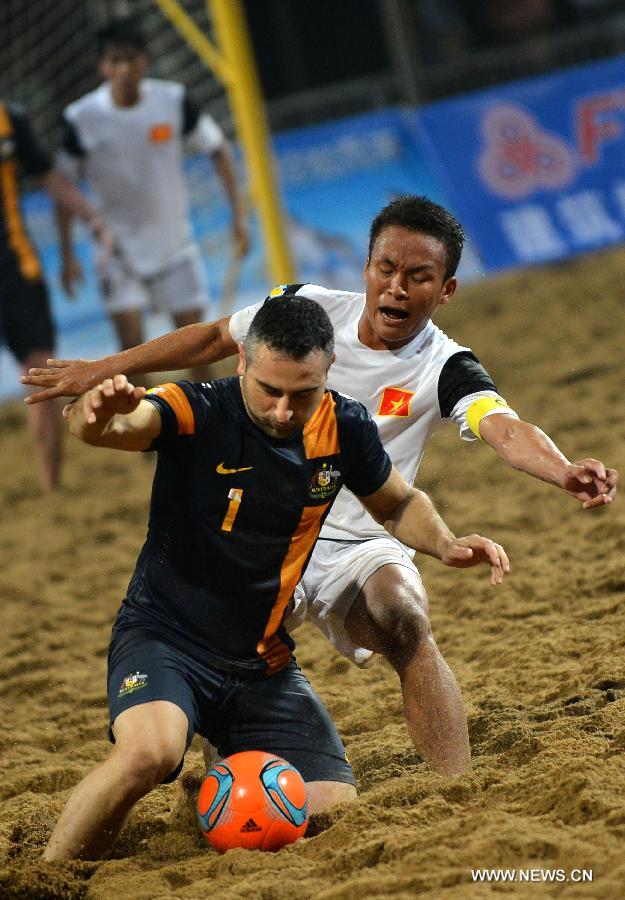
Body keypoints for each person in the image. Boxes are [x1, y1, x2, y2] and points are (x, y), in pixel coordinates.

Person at [22, 196, 618, 775]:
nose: (397, 288)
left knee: (405, 618)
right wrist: (104, 368)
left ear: (447, 289)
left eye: (419, 276)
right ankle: (221, 781)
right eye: (386, 269)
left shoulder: (448, 367)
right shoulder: (303, 310)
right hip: (257, 530)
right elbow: (211, 339)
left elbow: (506, 429)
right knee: (226, 657)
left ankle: (459, 787)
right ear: (366, 267)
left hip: (360, 537)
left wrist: (563, 470)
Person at [42, 296, 508, 861]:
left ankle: (213, 783)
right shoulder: (200, 408)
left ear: (329, 372)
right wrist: (97, 412)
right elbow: (120, 425)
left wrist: (446, 543)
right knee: (150, 756)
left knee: (333, 809)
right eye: (270, 390)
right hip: (166, 641)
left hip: (263, 662)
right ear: (242, 363)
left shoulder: (345, 426)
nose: (285, 410)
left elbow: (399, 502)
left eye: (303, 393)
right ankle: (48, 876)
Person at [55, 17, 249, 374]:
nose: (125, 68)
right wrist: (67, 253)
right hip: (118, 253)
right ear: (103, 66)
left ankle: (200, 427)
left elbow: (218, 147)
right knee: (131, 360)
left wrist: (239, 215)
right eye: (116, 60)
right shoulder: (81, 118)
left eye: (132, 58)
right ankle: (146, 429)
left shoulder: (173, 101)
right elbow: (61, 186)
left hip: (175, 246)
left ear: (145, 60)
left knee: (198, 352)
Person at [0, 98, 110, 491]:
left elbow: (51, 179)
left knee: (39, 374)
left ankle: (51, 487)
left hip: (16, 268)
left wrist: (93, 219)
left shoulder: (10, 120)